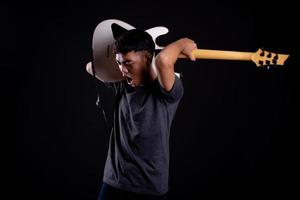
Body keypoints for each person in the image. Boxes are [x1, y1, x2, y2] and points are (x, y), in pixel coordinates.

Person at [91, 29, 197, 200]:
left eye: (128, 63)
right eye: (119, 63)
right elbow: (91, 66)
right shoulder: (121, 85)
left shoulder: (167, 91)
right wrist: (123, 59)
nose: (123, 70)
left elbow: (163, 60)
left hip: (148, 188)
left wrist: (182, 42)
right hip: (114, 182)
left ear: (148, 59)